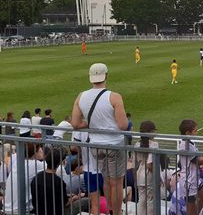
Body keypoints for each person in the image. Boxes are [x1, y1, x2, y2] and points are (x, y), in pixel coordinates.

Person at [71, 63, 129, 215]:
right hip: (114, 144)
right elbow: (123, 125)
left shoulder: (81, 96)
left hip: (96, 146)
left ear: (91, 78)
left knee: (107, 180)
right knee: (116, 183)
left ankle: (110, 210)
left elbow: (75, 124)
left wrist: (89, 123)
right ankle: (116, 212)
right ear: (106, 76)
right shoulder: (114, 96)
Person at [30, 147, 88, 215]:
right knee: (86, 201)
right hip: (56, 211)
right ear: (59, 163)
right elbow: (65, 203)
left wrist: (67, 195)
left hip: (39, 211)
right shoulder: (58, 182)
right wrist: (74, 198)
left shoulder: (36, 178)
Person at [173, 119, 203, 215]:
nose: (197, 132)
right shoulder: (185, 145)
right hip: (188, 181)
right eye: (195, 130)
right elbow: (196, 160)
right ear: (188, 133)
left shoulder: (189, 143)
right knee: (190, 207)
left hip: (194, 178)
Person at [3, 142, 45, 214]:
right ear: (35, 152)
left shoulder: (18, 161)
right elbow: (52, 166)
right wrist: (43, 156)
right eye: (40, 148)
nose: (42, 150)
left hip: (7, 207)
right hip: (19, 210)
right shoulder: (35, 164)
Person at [135, 120, 159, 215]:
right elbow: (150, 164)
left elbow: (134, 163)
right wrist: (157, 177)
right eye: (154, 131)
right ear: (150, 132)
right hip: (148, 175)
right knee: (150, 200)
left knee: (142, 199)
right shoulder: (154, 144)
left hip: (139, 173)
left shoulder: (137, 144)